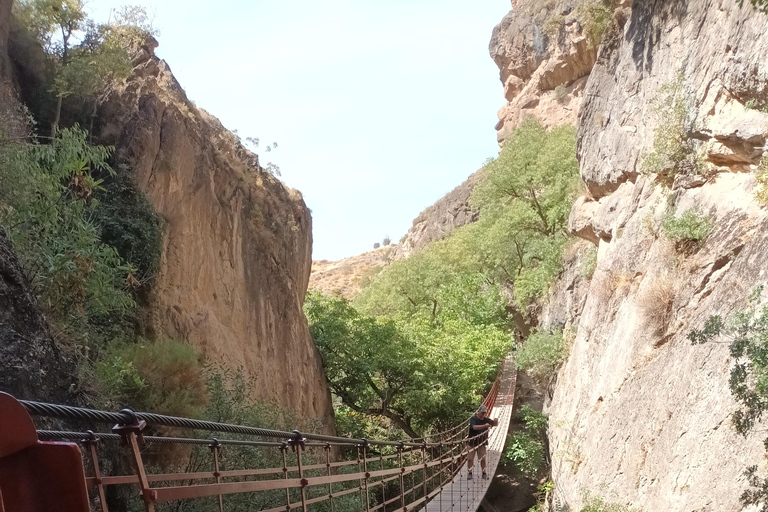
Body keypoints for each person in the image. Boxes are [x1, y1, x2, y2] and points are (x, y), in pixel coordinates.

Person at [466, 404, 498, 480]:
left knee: (483, 459)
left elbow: (494, 424)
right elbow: (474, 427)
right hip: (472, 442)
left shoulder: (486, 420)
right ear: (478, 411)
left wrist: (496, 421)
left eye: (484, 413)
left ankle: (484, 473)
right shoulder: (473, 419)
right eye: (482, 412)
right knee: (470, 458)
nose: (483, 414)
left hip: (482, 443)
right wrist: (484, 426)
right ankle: (470, 473)